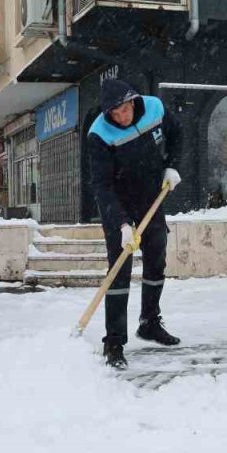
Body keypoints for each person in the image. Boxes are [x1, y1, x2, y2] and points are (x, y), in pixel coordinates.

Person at [87, 79, 183, 369]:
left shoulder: (154, 107)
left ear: (133, 102)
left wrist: (172, 165)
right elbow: (102, 186)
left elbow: (177, 134)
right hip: (118, 203)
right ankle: (114, 342)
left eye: (124, 110)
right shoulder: (99, 134)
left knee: (157, 258)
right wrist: (121, 225)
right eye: (115, 114)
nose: (122, 117)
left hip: (151, 197)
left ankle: (149, 322)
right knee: (119, 271)